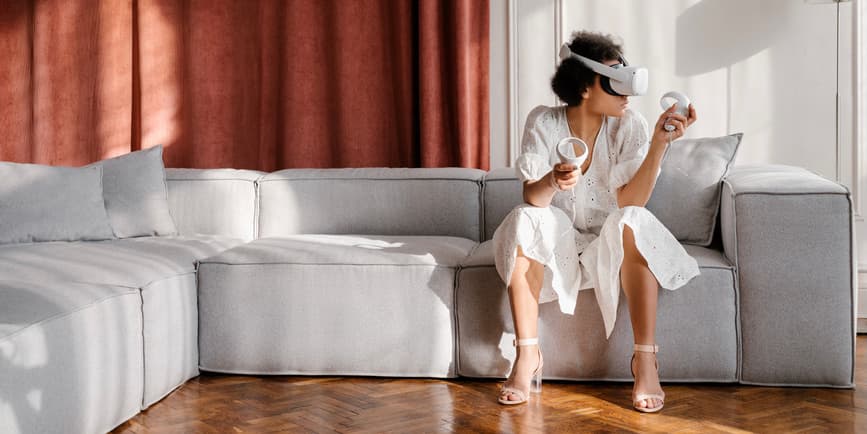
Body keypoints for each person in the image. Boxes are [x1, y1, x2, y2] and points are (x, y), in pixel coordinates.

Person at [493, 30, 700, 413]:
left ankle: (645, 360)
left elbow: (630, 202)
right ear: (586, 86)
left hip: (610, 240)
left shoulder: (629, 125)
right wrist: (552, 181)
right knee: (525, 218)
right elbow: (532, 198)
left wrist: (659, 143)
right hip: (561, 240)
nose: (627, 93)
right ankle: (527, 356)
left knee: (633, 219)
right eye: (615, 81)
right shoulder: (543, 122)